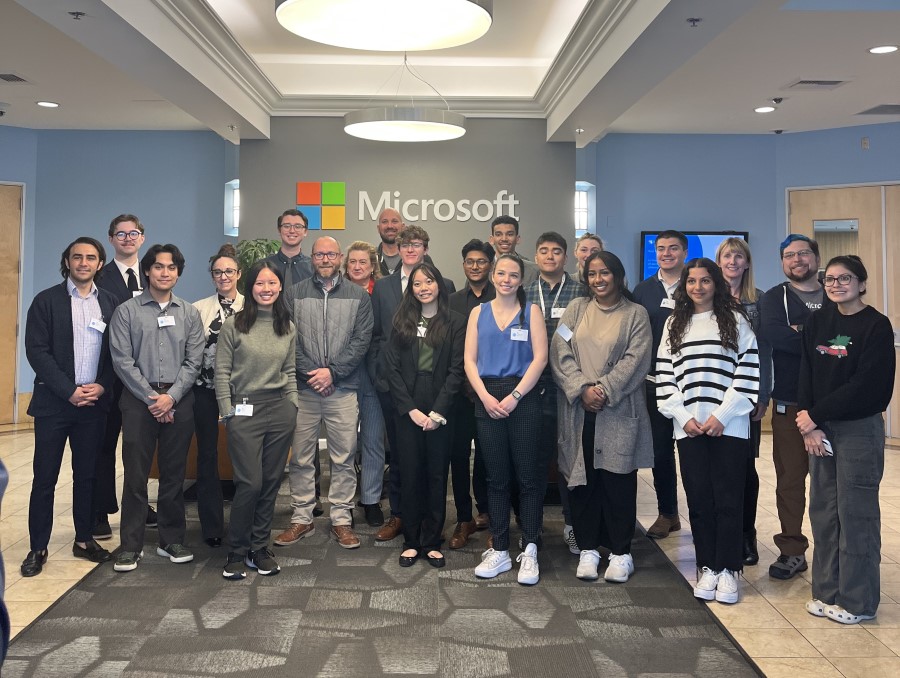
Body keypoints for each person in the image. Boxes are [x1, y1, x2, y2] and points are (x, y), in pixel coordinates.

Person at [656, 258, 759, 604]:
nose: (697, 287)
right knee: (699, 501)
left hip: (729, 427)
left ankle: (728, 570)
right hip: (689, 428)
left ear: (716, 283)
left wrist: (723, 415)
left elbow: (747, 374)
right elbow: (665, 376)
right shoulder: (675, 324)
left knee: (729, 500)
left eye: (704, 281)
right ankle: (707, 568)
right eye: (691, 282)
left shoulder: (736, 321)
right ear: (683, 286)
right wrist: (683, 417)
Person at [798, 255, 894, 625]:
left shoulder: (877, 326)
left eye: (846, 278)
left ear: (862, 283)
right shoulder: (817, 321)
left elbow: (869, 387)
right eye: (831, 279)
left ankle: (858, 602)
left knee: (856, 516)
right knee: (824, 512)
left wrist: (816, 415)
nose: (837, 284)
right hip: (819, 428)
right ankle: (825, 592)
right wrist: (810, 423)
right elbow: (806, 372)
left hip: (857, 429)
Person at [551, 251, 652, 582]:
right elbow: (559, 351)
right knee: (582, 482)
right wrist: (582, 388)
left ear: (618, 275)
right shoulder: (576, 310)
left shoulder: (635, 314)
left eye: (605, 273)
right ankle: (589, 548)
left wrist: (603, 390)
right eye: (592, 274)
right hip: (579, 411)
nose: (598, 279)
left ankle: (621, 553)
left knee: (617, 481)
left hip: (618, 410)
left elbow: (636, 359)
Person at [21, 237, 118, 577]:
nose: (83, 263)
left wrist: (102, 385)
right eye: (77, 257)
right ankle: (38, 547)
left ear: (100, 264)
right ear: (67, 261)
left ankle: (84, 539)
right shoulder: (46, 301)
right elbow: (37, 352)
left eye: (90, 257)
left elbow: (115, 355)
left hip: (93, 406)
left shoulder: (109, 303)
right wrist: (69, 391)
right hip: (54, 404)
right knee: (44, 478)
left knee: (86, 476)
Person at [109, 243, 204, 572]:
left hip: (179, 401)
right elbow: (122, 361)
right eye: (159, 267)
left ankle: (171, 540)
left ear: (178, 273)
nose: (165, 273)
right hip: (138, 402)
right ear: (147, 271)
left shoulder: (189, 313)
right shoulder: (127, 311)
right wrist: (153, 398)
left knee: (174, 475)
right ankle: (130, 546)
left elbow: (194, 362)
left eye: (172, 267)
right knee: (135, 476)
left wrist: (171, 397)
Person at [274, 236, 373, 549]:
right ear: (312, 258)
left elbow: (361, 340)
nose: (326, 259)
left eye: (331, 254)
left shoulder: (359, 296)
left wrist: (333, 372)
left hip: (343, 389)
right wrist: (312, 374)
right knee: (302, 458)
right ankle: (302, 517)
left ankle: (342, 519)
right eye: (320, 254)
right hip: (304, 390)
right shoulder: (294, 294)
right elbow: (288, 338)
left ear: (340, 257)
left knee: (343, 457)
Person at [465, 254, 548, 585]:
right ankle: (499, 549)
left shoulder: (532, 311)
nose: (506, 279)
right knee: (496, 479)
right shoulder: (477, 312)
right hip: (486, 399)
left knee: (527, 478)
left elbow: (540, 358)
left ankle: (529, 549)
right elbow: (469, 361)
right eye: (501, 273)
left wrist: (514, 397)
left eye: (513, 275)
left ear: (520, 279)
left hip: (523, 399)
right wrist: (485, 397)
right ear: (493, 275)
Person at [370, 225, 454, 542]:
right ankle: (399, 516)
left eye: (416, 244)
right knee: (401, 457)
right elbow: (378, 337)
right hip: (395, 387)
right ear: (397, 248)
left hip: (432, 389)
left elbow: (450, 343)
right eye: (405, 244)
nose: (410, 249)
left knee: (432, 462)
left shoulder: (443, 285)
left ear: (425, 249)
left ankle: (429, 524)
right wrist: (384, 376)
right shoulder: (382, 287)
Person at [216, 260, 298, 580]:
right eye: (260, 283)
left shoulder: (287, 326)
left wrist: (292, 406)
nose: (266, 289)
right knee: (249, 483)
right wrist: (228, 412)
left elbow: (290, 371)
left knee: (270, 483)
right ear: (250, 287)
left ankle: (259, 547)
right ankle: (236, 550)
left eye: (272, 283)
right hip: (243, 412)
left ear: (280, 287)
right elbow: (222, 373)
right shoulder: (233, 325)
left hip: (280, 411)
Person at [384, 262, 466, 567]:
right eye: (417, 284)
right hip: (408, 403)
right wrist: (411, 410)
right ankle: (411, 540)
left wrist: (437, 412)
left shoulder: (456, 322)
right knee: (409, 473)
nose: (423, 288)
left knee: (435, 474)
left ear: (439, 285)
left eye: (429, 282)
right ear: (411, 289)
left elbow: (457, 371)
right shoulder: (401, 320)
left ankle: (432, 540)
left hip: (441, 403)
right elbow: (391, 369)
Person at [759, 234, 830, 580]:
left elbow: (848, 338)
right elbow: (777, 337)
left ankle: (833, 550)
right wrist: (824, 342)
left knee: (832, 482)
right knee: (790, 480)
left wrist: (803, 333)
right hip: (789, 403)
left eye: (803, 253)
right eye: (789, 255)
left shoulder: (836, 291)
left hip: (834, 407)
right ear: (782, 262)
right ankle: (792, 550)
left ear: (816, 257)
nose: (797, 260)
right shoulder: (775, 299)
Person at [93, 214, 155, 540]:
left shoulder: (153, 274)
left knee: (138, 446)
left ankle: (139, 506)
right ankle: (100, 510)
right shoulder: (100, 277)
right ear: (112, 239)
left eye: (133, 233)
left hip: (144, 377)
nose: (128, 238)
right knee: (105, 445)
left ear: (142, 238)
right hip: (109, 375)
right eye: (121, 234)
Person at [715, 237, 772, 566]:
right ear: (718, 261)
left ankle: (745, 535)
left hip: (745, 399)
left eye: (739, 256)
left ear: (747, 263)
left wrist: (761, 395)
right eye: (727, 256)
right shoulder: (707, 297)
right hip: (710, 395)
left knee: (744, 471)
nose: (733, 261)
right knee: (716, 470)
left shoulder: (759, 302)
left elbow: (764, 352)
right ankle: (719, 534)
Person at [525, 232, 582, 554]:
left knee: (569, 461)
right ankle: (531, 529)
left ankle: (573, 524)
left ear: (566, 257)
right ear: (536, 257)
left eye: (556, 252)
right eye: (544, 251)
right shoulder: (525, 291)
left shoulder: (580, 293)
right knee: (534, 460)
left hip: (568, 388)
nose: (550, 257)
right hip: (533, 388)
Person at [632, 230, 688, 539]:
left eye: (673, 248)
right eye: (661, 248)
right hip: (654, 383)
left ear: (684, 251)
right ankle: (668, 513)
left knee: (693, 452)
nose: (667, 253)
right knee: (661, 452)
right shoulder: (643, 290)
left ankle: (702, 511)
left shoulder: (695, 285)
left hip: (691, 383)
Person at [191, 244, 244, 548]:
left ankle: (242, 522)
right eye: (217, 272)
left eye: (229, 271)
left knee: (243, 457)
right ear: (212, 276)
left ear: (238, 274)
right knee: (207, 456)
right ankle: (211, 526)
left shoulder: (252, 307)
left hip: (240, 394)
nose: (223, 276)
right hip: (204, 393)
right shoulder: (198, 309)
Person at [447, 239, 494, 548]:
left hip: (493, 394)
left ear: (490, 265)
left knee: (491, 459)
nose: (475, 266)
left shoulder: (504, 296)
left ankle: (489, 515)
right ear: (463, 264)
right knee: (459, 458)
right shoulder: (451, 301)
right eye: (470, 261)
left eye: (481, 261)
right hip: (459, 396)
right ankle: (464, 519)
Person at [344, 241, 386, 526]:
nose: (357, 267)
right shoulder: (335, 292)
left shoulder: (382, 293)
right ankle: (344, 501)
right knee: (344, 442)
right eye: (352, 262)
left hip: (373, 376)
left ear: (372, 266)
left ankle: (370, 499)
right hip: (343, 375)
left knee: (372, 440)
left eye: (363, 262)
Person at [263, 209, 314, 289]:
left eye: (298, 226)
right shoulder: (264, 266)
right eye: (286, 226)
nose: (292, 231)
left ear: (305, 232)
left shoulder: (313, 267)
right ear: (279, 230)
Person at [489, 215, 539, 286]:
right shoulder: (483, 269)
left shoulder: (533, 271)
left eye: (509, 234)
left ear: (517, 239)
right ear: (492, 239)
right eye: (498, 234)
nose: (504, 239)